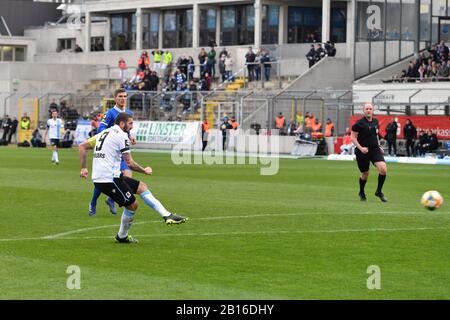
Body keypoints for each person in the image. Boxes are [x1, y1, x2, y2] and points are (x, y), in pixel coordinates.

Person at [79, 113, 187, 244]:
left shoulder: (104, 133)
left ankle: (167, 215)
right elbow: (129, 163)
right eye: (130, 123)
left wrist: (84, 168)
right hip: (108, 179)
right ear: (122, 123)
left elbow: (82, 146)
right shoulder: (121, 135)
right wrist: (144, 170)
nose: (132, 126)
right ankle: (122, 236)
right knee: (132, 205)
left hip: (110, 176)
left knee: (142, 186)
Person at [88, 89, 134, 217]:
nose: (123, 98)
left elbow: (127, 129)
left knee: (128, 174)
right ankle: (93, 202)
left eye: (125, 96)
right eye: (120, 96)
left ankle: (111, 199)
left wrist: (131, 136)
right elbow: (101, 128)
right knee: (104, 179)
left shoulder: (129, 113)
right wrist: (109, 136)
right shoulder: (110, 113)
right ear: (115, 98)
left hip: (121, 151)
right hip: (110, 152)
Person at [351, 103, 388, 202]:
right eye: (367, 109)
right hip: (362, 151)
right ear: (363, 110)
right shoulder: (359, 123)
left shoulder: (375, 121)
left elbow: (375, 135)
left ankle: (379, 192)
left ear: (373, 110)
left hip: (374, 150)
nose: (368, 110)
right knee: (365, 174)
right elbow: (353, 137)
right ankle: (361, 192)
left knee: (383, 169)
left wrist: (379, 146)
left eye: (370, 109)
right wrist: (360, 148)